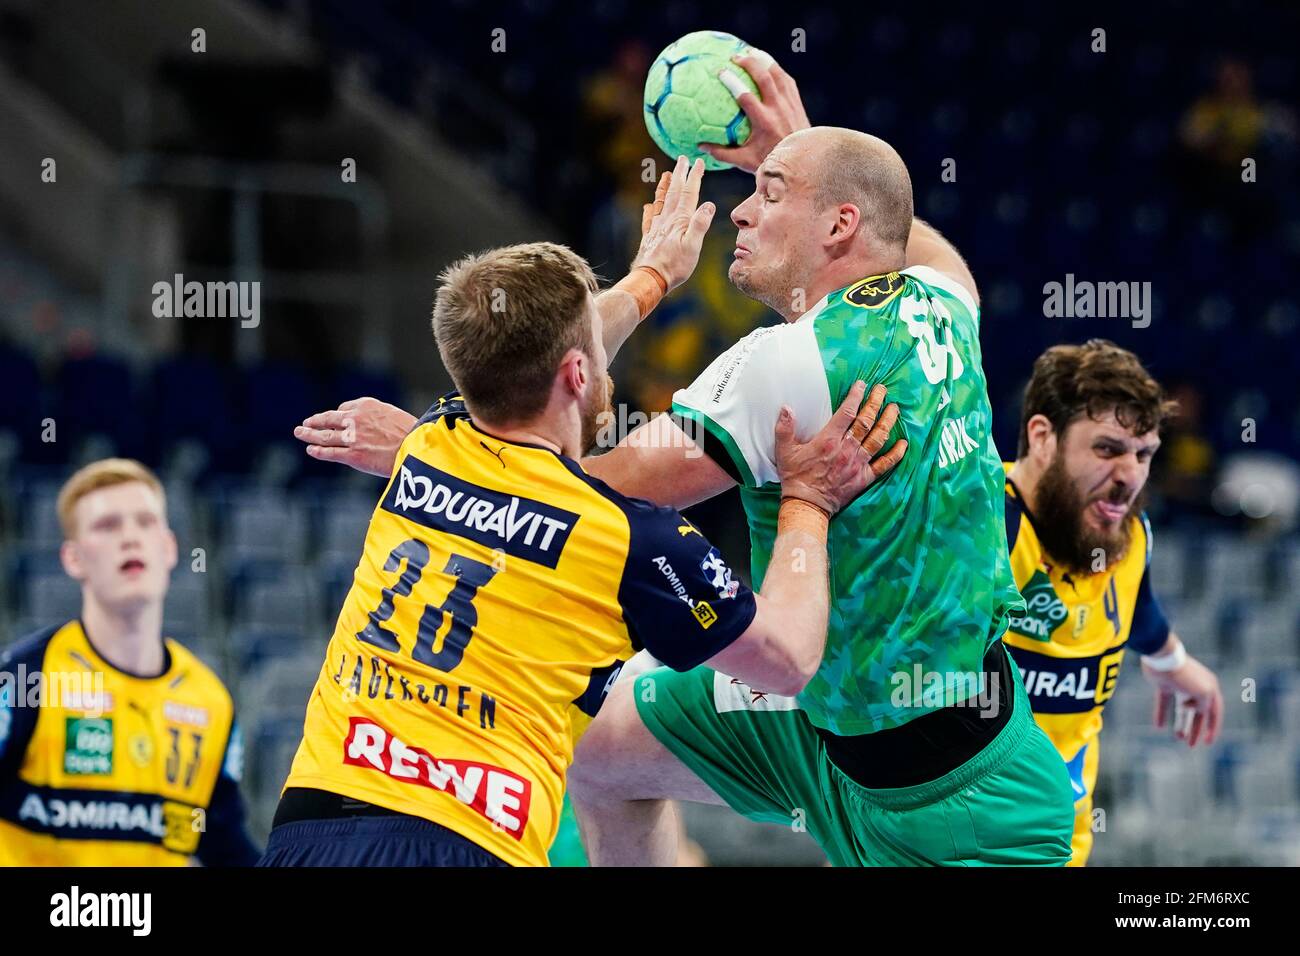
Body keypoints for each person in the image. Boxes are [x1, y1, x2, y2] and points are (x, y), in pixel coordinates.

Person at [297, 53, 1075, 866]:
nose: (739, 212)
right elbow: (923, 250)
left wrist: (429, 451)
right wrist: (773, 173)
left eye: (769, 194)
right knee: (596, 742)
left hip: (960, 806)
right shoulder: (945, 303)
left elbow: (562, 484)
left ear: (839, 226)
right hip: (815, 729)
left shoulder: (788, 363)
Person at [261, 212, 906, 864]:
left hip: (310, 821)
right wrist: (807, 500)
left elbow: (526, 351)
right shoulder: (630, 537)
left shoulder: (430, 443)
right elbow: (788, 660)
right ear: (575, 372)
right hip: (465, 839)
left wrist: (652, 278)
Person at [1003, 340, 1224, 865]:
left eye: (1143, 454)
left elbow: (1137, 610)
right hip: (954, 838)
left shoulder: (1128, 537)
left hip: (1060, 844)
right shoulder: (985, 525)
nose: (1129, 476)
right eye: (1106, 449)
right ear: (1043, 438)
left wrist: (1172, 661)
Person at [0, 458, 258, 866]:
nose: (130, 538)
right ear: (73, 558)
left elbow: (224, 845)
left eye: (145, 522)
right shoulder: (24, 678)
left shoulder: (210, 701)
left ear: (169, 547)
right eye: (107, 526)